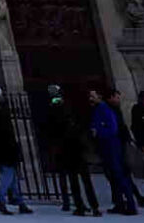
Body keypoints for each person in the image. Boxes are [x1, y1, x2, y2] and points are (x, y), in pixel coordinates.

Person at [42, 85, 100, 216]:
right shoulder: (69, 108)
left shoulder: (53, 111)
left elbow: (50, 130)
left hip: (66, 149)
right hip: (76, 148)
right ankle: (93, 206)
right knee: (85, 180)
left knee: (73, 180)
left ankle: (78, 205)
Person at [87, 86, 140, 215]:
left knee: (119, 176)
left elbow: (112, 128)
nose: (90, 99)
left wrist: (97, 131)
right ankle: (120, 204)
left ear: (99, 97)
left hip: (111, 146)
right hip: (106, 147)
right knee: (114, 178)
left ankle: (130, 205)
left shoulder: (104, 109)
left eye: (93, 96)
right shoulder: (98, 109)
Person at [0, 84, 34, 216]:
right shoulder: (0, 112)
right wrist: (14, 147)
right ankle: (0, 200)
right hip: (6, 148)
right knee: (8, 176)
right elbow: (6, 132)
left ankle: (20, 202)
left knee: (12, 177)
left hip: (0, 147)